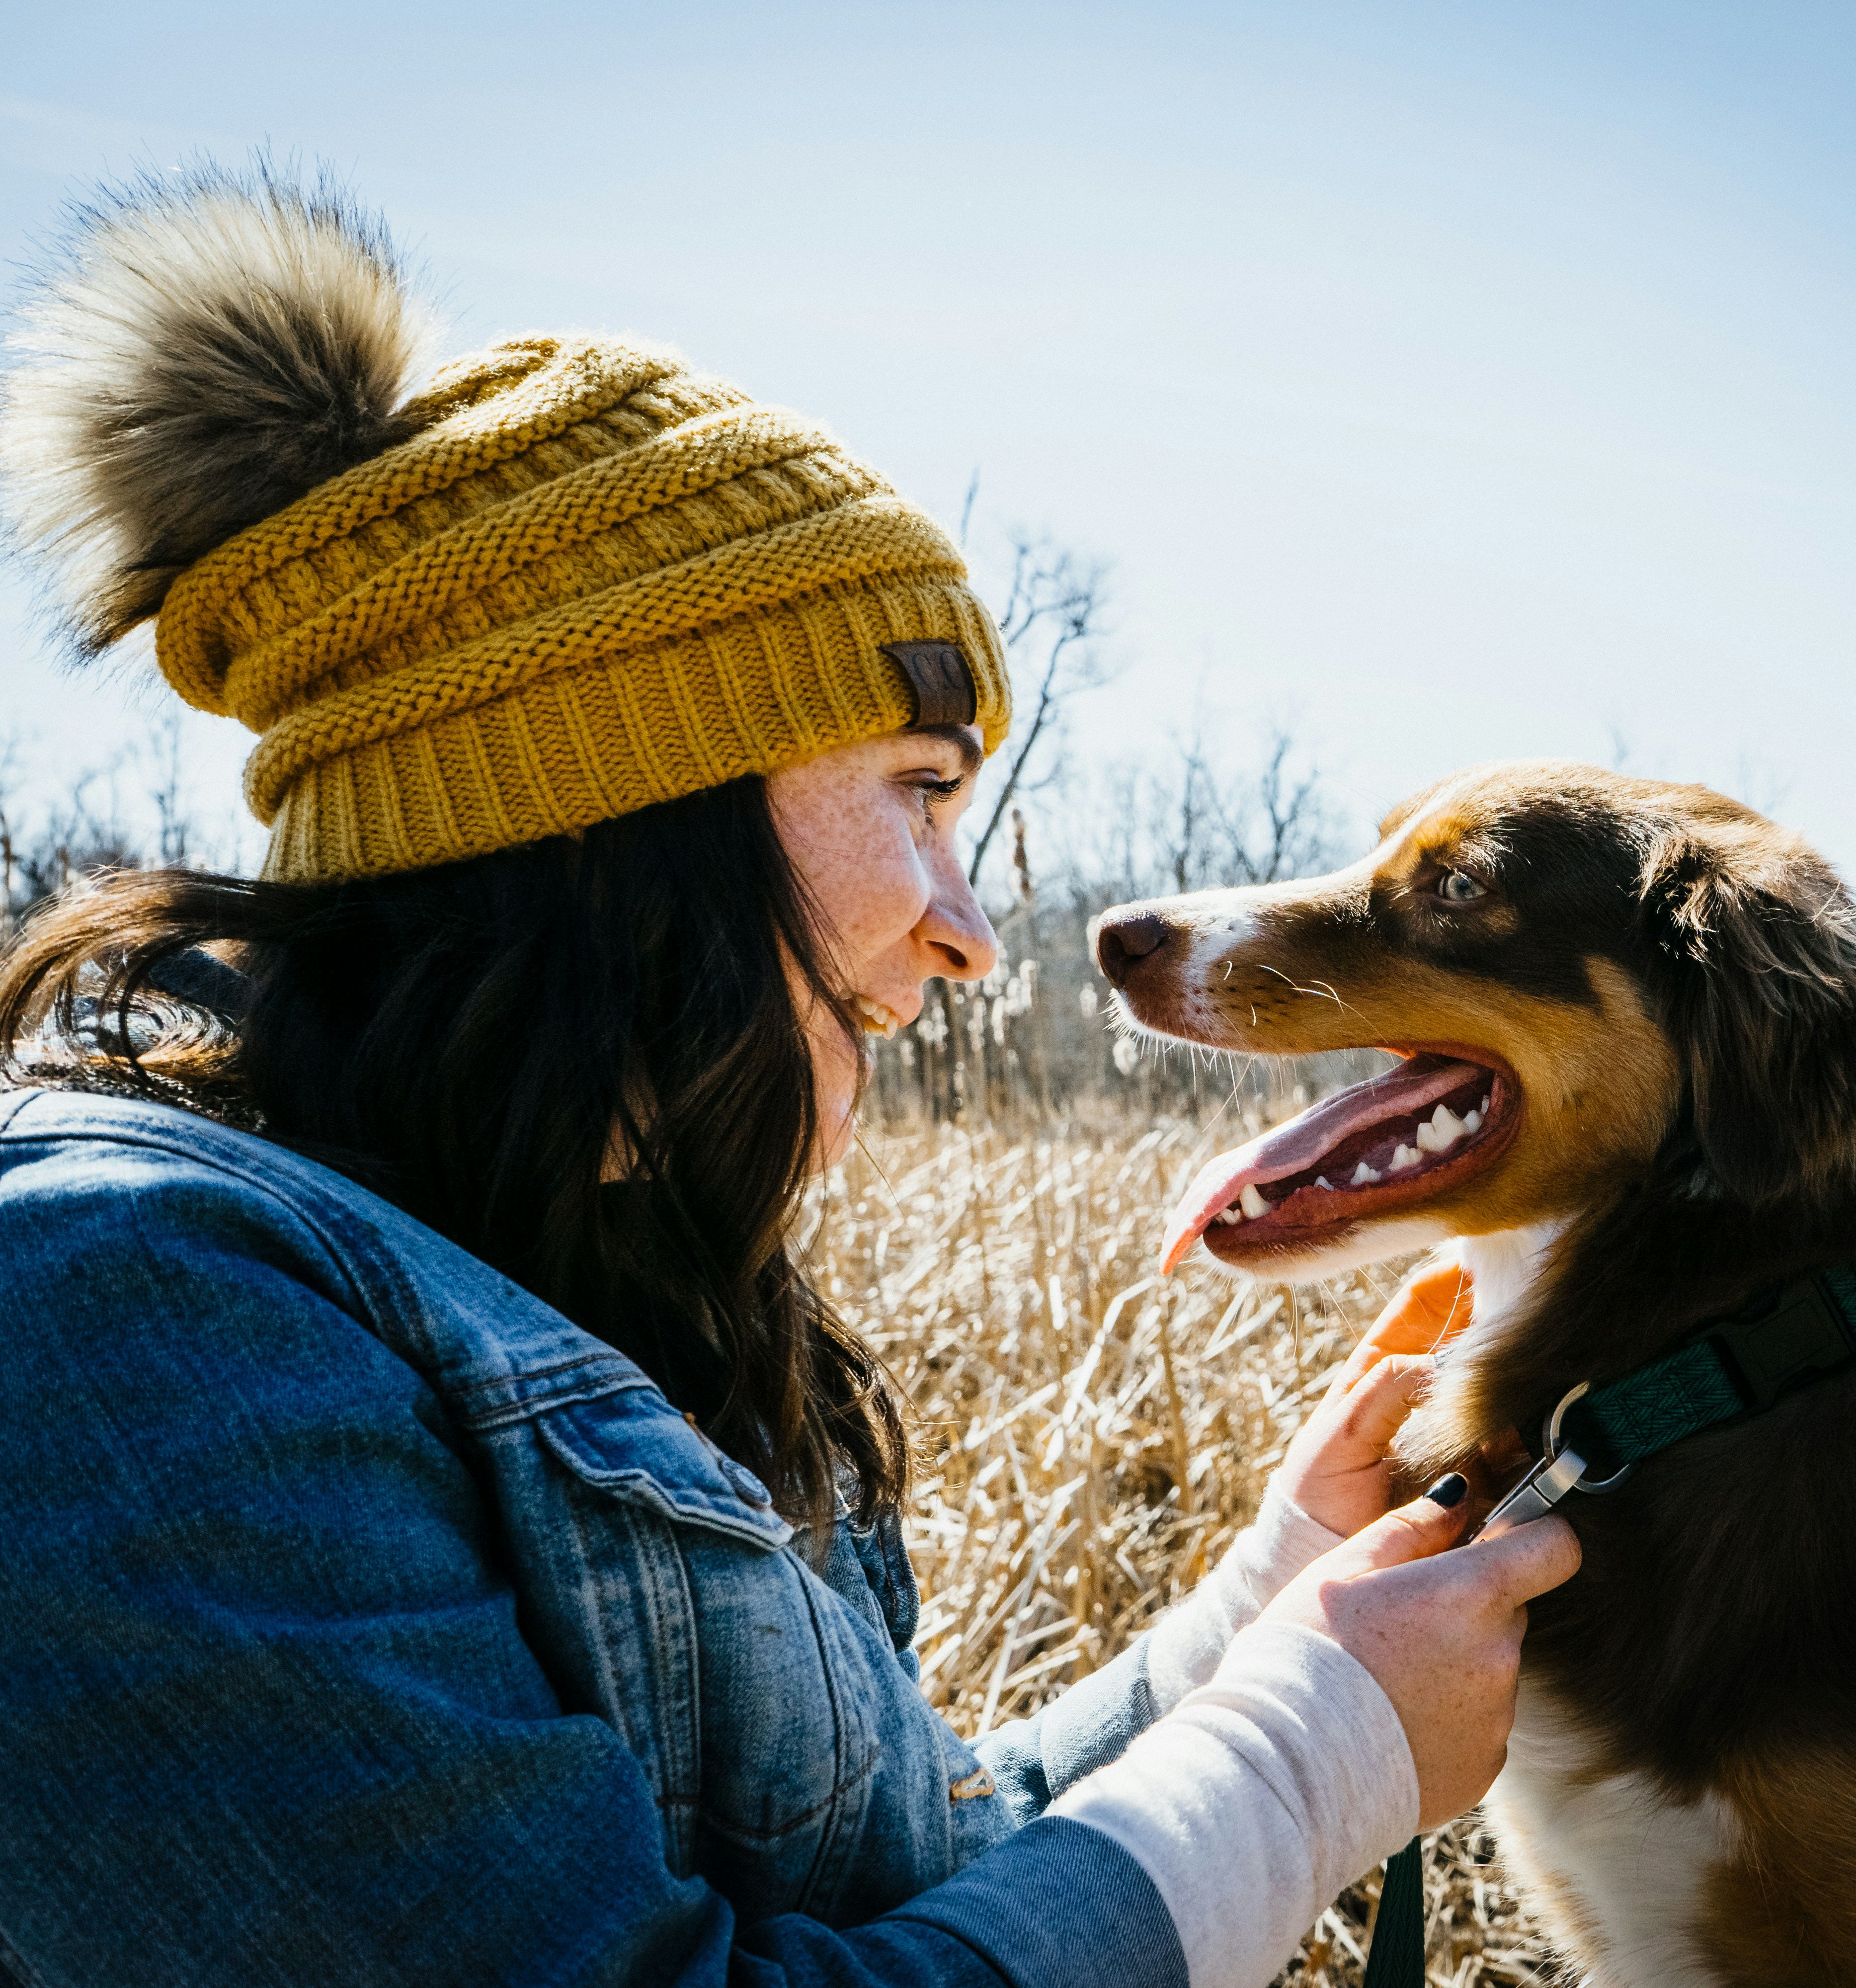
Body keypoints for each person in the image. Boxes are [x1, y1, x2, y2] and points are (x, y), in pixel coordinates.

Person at [0, 166, 1579, 1988]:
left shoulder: (609, 1282)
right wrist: (1303, 1769)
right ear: (605, 797)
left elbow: (927, 1886)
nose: (971, 932)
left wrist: (1266, 1619)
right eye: (919, 787)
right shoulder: (111, 1314)